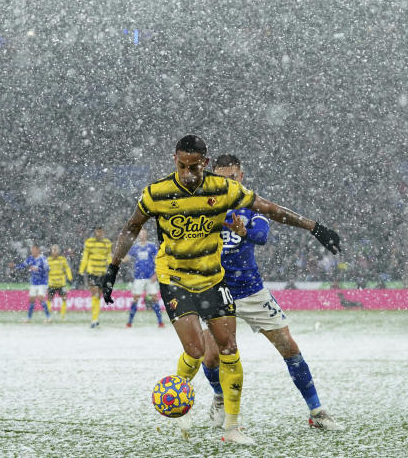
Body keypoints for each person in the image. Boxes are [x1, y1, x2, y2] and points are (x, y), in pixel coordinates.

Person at [99, 135, 342, 445]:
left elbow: (265, 219)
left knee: (260, 348)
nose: (188, 174)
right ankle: (204, 402)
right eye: (182, 166)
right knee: (202, 354)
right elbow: (133, 226)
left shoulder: (230, 197)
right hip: (190, 281)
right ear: (175, 160)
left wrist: (313, 226)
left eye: (196, 168)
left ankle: (283, 418)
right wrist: (113, 266)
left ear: (214, 167)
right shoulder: (160, 194)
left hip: (235, 285)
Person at [199, 154, 343, 431]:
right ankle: (219, 398)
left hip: (250, 290)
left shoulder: (250, 206)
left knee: (288, 347)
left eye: (232, 177)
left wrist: (244, 233)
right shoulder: (203, 207)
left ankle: (317, 411)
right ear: (212, 177)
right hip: (216, 290)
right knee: (211, 357)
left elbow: (262, 236)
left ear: (241, 177)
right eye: (221, 177)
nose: (227, 182)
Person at [124, 228, 164, 328]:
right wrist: (115, 256)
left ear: (146, 235)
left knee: (155, 298)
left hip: (151, 277)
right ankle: (129, 322)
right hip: (138, 277)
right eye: (140, 234)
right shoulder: (135, 247)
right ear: (138, 235)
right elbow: (125, 259)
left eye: (144, 233)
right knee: (135, 299)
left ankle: (160, 322)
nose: (142, 235)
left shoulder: (152, 246)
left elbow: (158, 260)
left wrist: (156, 274)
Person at [79, 227, 112, 328]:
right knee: (94, 293)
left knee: (98, 296)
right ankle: (94, 319)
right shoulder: (89, 242)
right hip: (92, 272)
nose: (99, 233)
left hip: (102, 272)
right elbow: (85, 256)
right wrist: (81, 269)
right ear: (95, 232)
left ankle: (95, 318)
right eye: (97, 231)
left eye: (101, 231)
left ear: (103, 232)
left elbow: (109, 257)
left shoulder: (107, 243)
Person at [17, 244, 51, 323]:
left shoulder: (43, 258)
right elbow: (24, 265)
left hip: (42, 282)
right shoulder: (30, 258)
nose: (32, 251)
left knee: (40, 298)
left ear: (38, 250)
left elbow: (47, 269)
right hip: (34, 282)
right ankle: (29, 318)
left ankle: (48, 317)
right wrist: (16, 266)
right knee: (31, 300)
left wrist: (38, 268)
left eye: (34, 250)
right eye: (32, 250)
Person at [46, 244, 73, 321]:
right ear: (51, 251)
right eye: (53, 250)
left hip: (61, 283)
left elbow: (67, 268)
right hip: (52, 283)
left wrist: (70, 276)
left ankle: (63, 316)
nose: (54, 251)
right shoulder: (48, 260)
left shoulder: (62, 259)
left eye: (56, 250)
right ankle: (48, 316)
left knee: (64, 298)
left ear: (58, 251)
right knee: (49, 299)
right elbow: (44, 270)